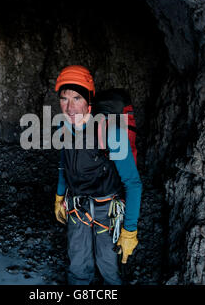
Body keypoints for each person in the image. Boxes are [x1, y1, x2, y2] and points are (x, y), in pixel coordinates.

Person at [53, 65, 142, 285]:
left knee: (109, 268)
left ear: (89, 100)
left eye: (77, 98)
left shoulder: (110, 132)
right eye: (64, 99)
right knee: (77, 267)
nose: (70, 107)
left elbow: (133, 183)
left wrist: (130, 230)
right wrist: (59, 196)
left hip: (107, 210)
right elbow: (65, 164)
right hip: (76, 206)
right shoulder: (64, 128)